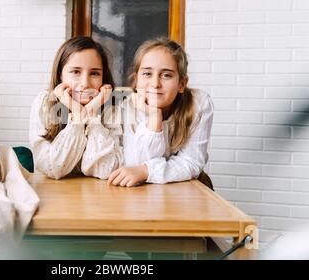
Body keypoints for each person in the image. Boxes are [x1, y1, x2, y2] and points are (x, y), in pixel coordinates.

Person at [108, 37, 214, 188]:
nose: (155, 84)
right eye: (147, 74)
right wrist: (153, 116)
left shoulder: (199, 104)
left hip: (186, 188)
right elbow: (134, 163)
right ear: (136, 79)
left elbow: (191, 161)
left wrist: (146, 170)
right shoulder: (127, 108)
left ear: (182, 84)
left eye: (166, 75)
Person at [29, 36, 123, 180]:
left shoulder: (112, 108)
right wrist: (78, 115)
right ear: (60, 74)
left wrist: (91, 114)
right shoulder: (44, 103)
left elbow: (106, 170)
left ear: (103, 77)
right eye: (75, 72)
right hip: (55, 194)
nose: (85, 83)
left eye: (94, 73)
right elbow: (53, 169)